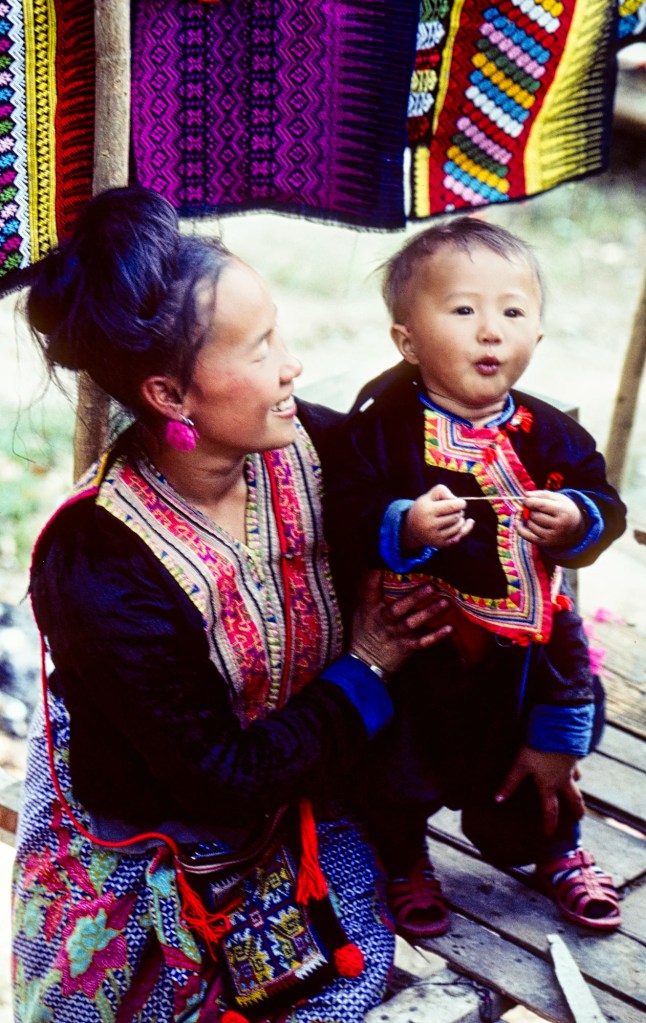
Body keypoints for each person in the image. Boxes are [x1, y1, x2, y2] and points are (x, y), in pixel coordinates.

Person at [11, 187, 454, 1023]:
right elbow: (217, 778)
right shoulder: (98, 564)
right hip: (154, 828)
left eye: (279, 330)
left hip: (296, 793)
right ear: (172, 397)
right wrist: (366, 666)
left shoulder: (313, 447)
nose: (292, 362)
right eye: (258, 348)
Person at [325, 217, 626, 940]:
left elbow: (608, 507)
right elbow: (346, 510)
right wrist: (404, 524)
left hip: (526, 647)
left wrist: (578, 519)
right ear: (407, 340)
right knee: (397, 771)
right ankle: (404, 860)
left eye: (513, 312)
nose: (492, 331)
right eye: (464, 310)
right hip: (419, 650)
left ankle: (559, 849)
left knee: (531, 775)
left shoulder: (552, 435)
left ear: (538, 337)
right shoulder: (383, 427)